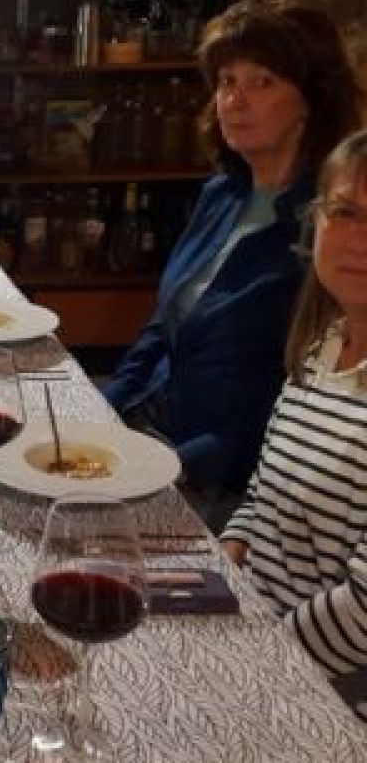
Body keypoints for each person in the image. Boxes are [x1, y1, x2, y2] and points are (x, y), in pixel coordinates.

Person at [102, 0, 362, 532]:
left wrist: (164, 469)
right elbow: (162, 327)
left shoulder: (329, 228)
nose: (235, 100)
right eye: (226, 82)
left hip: (221, 480)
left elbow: (283, 400)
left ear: (307, 102)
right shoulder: (222, 194)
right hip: (153, 426)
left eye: (262, 82)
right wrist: (104, 407)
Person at [220, 130, 367, 721]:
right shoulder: (322, 347)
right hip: (257, 635)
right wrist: (222, 559)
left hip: (327, 699)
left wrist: (256, 659)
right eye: (345, 213)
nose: (358, 238)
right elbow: (262, 493)